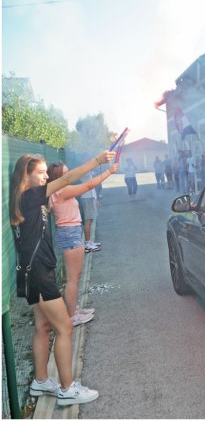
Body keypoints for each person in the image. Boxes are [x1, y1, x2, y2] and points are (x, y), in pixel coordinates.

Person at [10, 150, 113, 406]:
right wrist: (98, 161)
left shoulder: (29, 199)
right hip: (39, 275)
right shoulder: (30, 196)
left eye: (47, 172)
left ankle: (41, 381)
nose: (46, 177)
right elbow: (67, 181)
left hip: (36, 272)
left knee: (43, 327)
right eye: (41, 173)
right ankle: (67, 389)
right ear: (27, 176)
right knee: (65, 327)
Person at [47, 161, 118, 325]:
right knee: (73, 278)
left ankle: (74, 309)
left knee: (75, 276)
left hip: (71, 232)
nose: (69, 175)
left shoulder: (57, 190)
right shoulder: (60, 190)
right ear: (57, 177)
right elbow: (87, 186)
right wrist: (108, 172)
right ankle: (72, 315)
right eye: (65, 173)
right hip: (69, 233)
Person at [78, 172, 101, 253]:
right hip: (88, 197)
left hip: (90, 197)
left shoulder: (88, 171)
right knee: (88, 221)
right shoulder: (85, 171)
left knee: (90, 221)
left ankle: (90, 242)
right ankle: (87, 244)